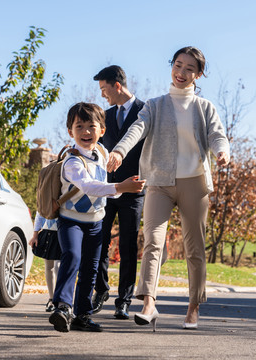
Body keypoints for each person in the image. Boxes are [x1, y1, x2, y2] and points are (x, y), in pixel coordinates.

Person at [106, 46, 230, 331]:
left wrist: (222, 151)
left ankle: (193, 306)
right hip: (160, 182)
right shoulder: (155, 104)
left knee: (194, 248)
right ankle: (148, 302)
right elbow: (137, 128)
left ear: (199, 74)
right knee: (152, 241)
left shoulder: (204, 107)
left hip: (194, 183)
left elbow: (216, 135)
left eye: (189, 68)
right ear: (171, 66)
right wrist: (120, 151)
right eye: (178, 65)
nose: (181, 72)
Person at [48, 102, 146, 333]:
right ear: (70, 131)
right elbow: (90, 186)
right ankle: (62, 307)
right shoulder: (72, 162)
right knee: (72, 256)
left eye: (92, 126)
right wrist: (121, 187)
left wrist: (121, 160)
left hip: (95, 222)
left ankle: (82, 314)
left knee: (91, 268)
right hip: (70, 220)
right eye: (79, 126)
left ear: (102, 131)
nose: (86, 132)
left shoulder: (102, 152)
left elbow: (110, 162)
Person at [91, 65, 146, 320]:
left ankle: (123, 300)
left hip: (135, 189)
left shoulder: (145, 111)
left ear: (117, 86)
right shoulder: (106, 116)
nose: (103, 95)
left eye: (104, 89)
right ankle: (100, 290)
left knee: (127, 245)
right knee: (98, 240)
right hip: (108, 188)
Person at [28, 213, 60, 312]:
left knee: (58, 267)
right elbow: (40, 214)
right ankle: (51, 298)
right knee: (48, 267)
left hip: (62, 232)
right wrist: (35, 235)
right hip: (48, 231)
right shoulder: (44, 198)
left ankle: (60, 299)